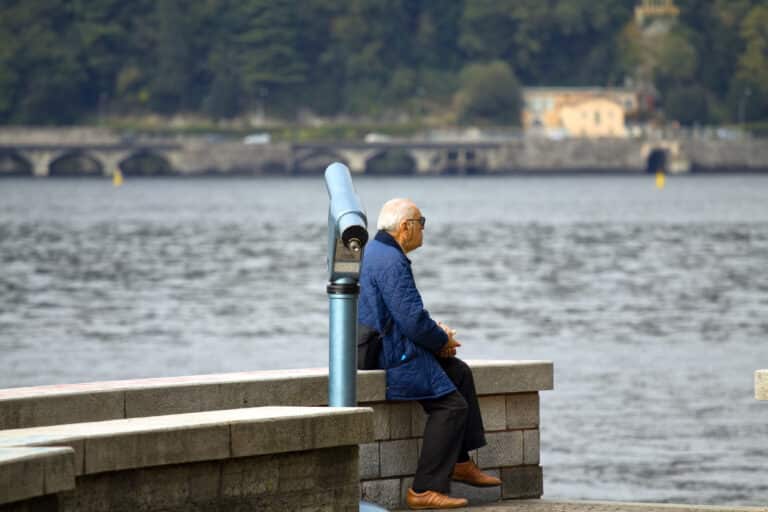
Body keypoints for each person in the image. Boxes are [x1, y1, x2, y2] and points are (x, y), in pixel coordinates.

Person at [358, 198, 501, 510]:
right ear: (406, 227)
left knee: (459, 373)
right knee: (450, 407)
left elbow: (405, 316)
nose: (424, 229)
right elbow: (412, 321)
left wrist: (437, 336)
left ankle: (460, 463)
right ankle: (424, 490)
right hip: (390, 353)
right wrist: (441, 339)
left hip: (387, 344)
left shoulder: (379, 251)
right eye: (422, 223)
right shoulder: (390, 261)